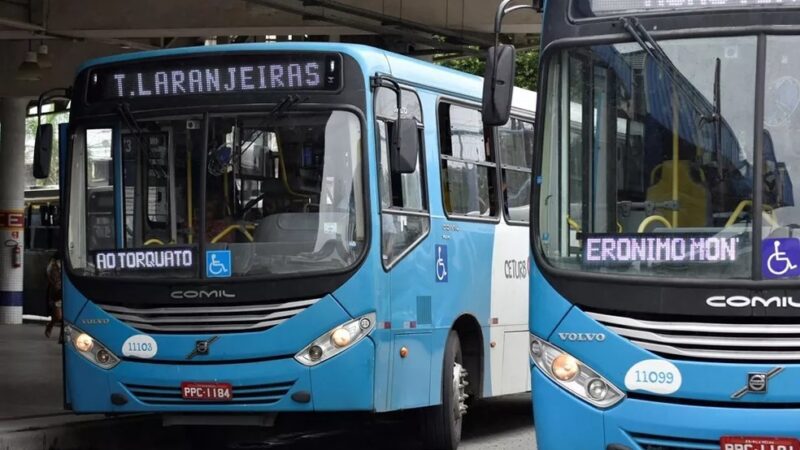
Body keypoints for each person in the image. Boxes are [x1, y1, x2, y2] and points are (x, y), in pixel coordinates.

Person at [44, 251, 63, 343]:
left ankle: (61, 336)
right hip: (57, 292)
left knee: (66, 316)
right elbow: (50, 277)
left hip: (67, 290)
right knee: (58, 316)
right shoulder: (53, 265)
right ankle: (50, 325)